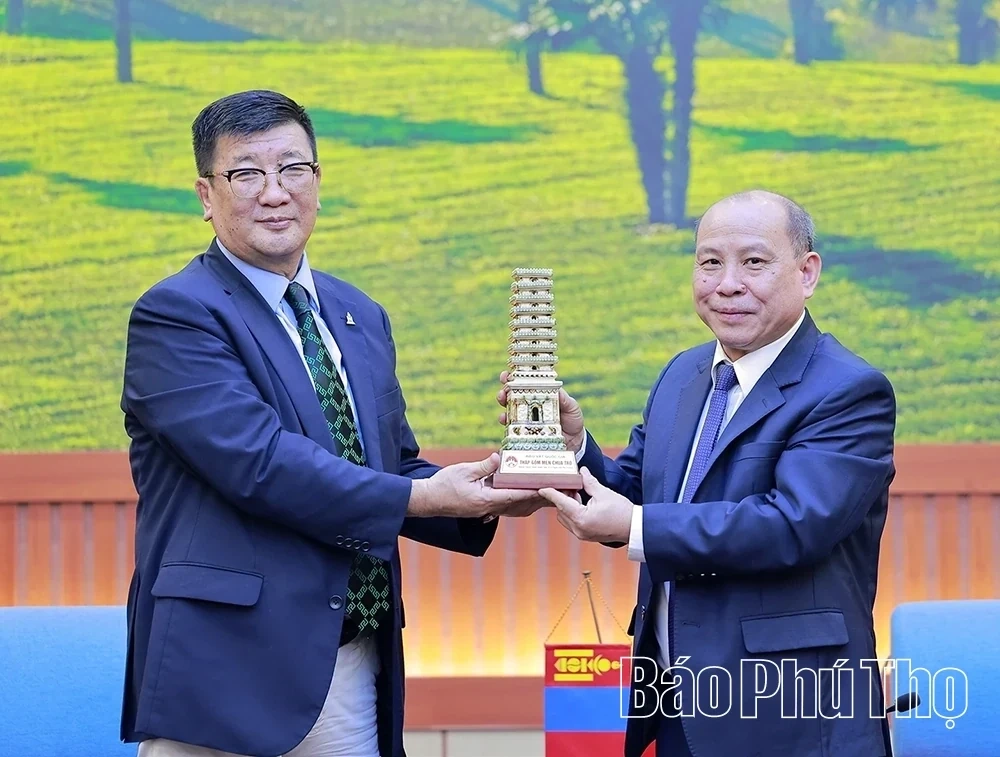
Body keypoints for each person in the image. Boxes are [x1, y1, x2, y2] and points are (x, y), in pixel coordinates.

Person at [120, 89, 544, 757]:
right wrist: (423, 495)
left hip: (349, 661)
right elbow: (260, 464)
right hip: (226, 669)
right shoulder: (177, 314)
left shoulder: (358, 314)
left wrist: (484, 493)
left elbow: (391, 467)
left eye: (293, 169)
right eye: (247, 173)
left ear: (317, 183)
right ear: (206, 195)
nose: (274, 191)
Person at [503, 190, 896, 756]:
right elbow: (637, 492)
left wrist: (637, 525)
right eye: (710, 262)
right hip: (673, 704)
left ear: (807, 273)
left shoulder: (848, 390)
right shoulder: (683, 375)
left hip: (790, 716)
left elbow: (793, 525)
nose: (727, 283)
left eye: (754, 262)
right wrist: (574, 447)